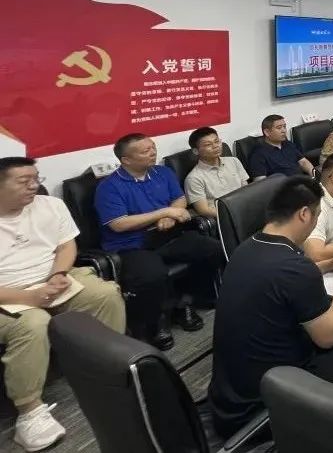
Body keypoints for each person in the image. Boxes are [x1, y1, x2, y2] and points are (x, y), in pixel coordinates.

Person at [209, 176, 333, 438]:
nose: (315, 222)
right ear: (304, 214)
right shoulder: (295, 267)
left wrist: (326, 265)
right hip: (272, 403)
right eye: (317, 216)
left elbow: (278, 280)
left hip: (230, 398)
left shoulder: (246, 249)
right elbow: (327, 337)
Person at [0, 157, 125, 452]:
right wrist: (29, 298)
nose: (34, 186)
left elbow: (67, 246)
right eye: (24, 181)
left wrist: (58, 275)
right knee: (33, 323)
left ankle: (107, 367)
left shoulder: (50, 205)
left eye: (36, 178)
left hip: (54, 280)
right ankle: (29, 412)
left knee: (104, 294)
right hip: (9, 295)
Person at [95, 133, 223, 350]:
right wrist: (164, 212)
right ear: (126, 160)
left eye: (153, 147)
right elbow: (119, 224)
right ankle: (155, 322)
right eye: (145, 151)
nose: (153, 152)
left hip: (168, 235)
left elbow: (179, 199)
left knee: (212, 249)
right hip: (133, 244)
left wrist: (169, 216)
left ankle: (186, 301)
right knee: (152, 275)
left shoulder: (162, 172)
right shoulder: (109, 187)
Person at [184, 126, 248, 219]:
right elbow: (204, 210)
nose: (215, 146)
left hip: (246, 209)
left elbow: (246, 189)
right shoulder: (193, 178)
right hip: (224, 218)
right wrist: (234, 214)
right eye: (208, 144)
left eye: (217, 141)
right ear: (196, 151)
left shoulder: (234, 161)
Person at [248, 115, 314, 180]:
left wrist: (315, 176)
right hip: (284, 185)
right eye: (279, 128)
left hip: (302, 181)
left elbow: (303, 162)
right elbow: (260, 181)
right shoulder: (258, 154)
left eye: (284, 127)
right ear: (267, 132)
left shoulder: (288, 144)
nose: (284, 130)